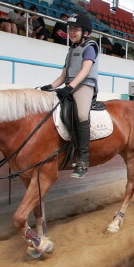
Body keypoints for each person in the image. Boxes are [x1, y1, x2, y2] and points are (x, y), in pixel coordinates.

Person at [39, 13, 98, 178]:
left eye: (75, 29)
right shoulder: (71, 50)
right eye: (70, 28)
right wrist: (50, 86)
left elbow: (85, 71)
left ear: (85, 32)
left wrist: (70, 87)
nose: (71, 32)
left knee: (80, 115)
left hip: (84, 86)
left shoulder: (90, 47)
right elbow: (63, 75)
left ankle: (83, 160)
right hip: (69, 85)